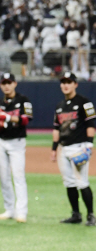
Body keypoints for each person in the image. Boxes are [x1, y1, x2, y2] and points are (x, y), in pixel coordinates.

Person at [51, 72, 95, 226]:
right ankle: (75, 214)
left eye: (68, 82)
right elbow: (57, 128)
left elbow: (91, 124)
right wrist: (54, 148)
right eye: (63, 82)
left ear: (75, 84)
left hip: (79, 147)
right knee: (69, 182)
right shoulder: (59, 106)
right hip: (64, 148)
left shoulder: (85, 102)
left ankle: (91, 215)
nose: (65, 85)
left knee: (82, 182)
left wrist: (89, 145)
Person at [0, 73, 32, 223]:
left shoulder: (23, 100)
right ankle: (9, 210)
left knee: (18, 176)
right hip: (1, 140)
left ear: (15, 84)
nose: (6, 86)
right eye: (4, 83)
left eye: (9, 82)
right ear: (0, 85)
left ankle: (22, 212)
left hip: (17, 142)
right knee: (4, 177)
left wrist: (6, 117)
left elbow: (26, 119)